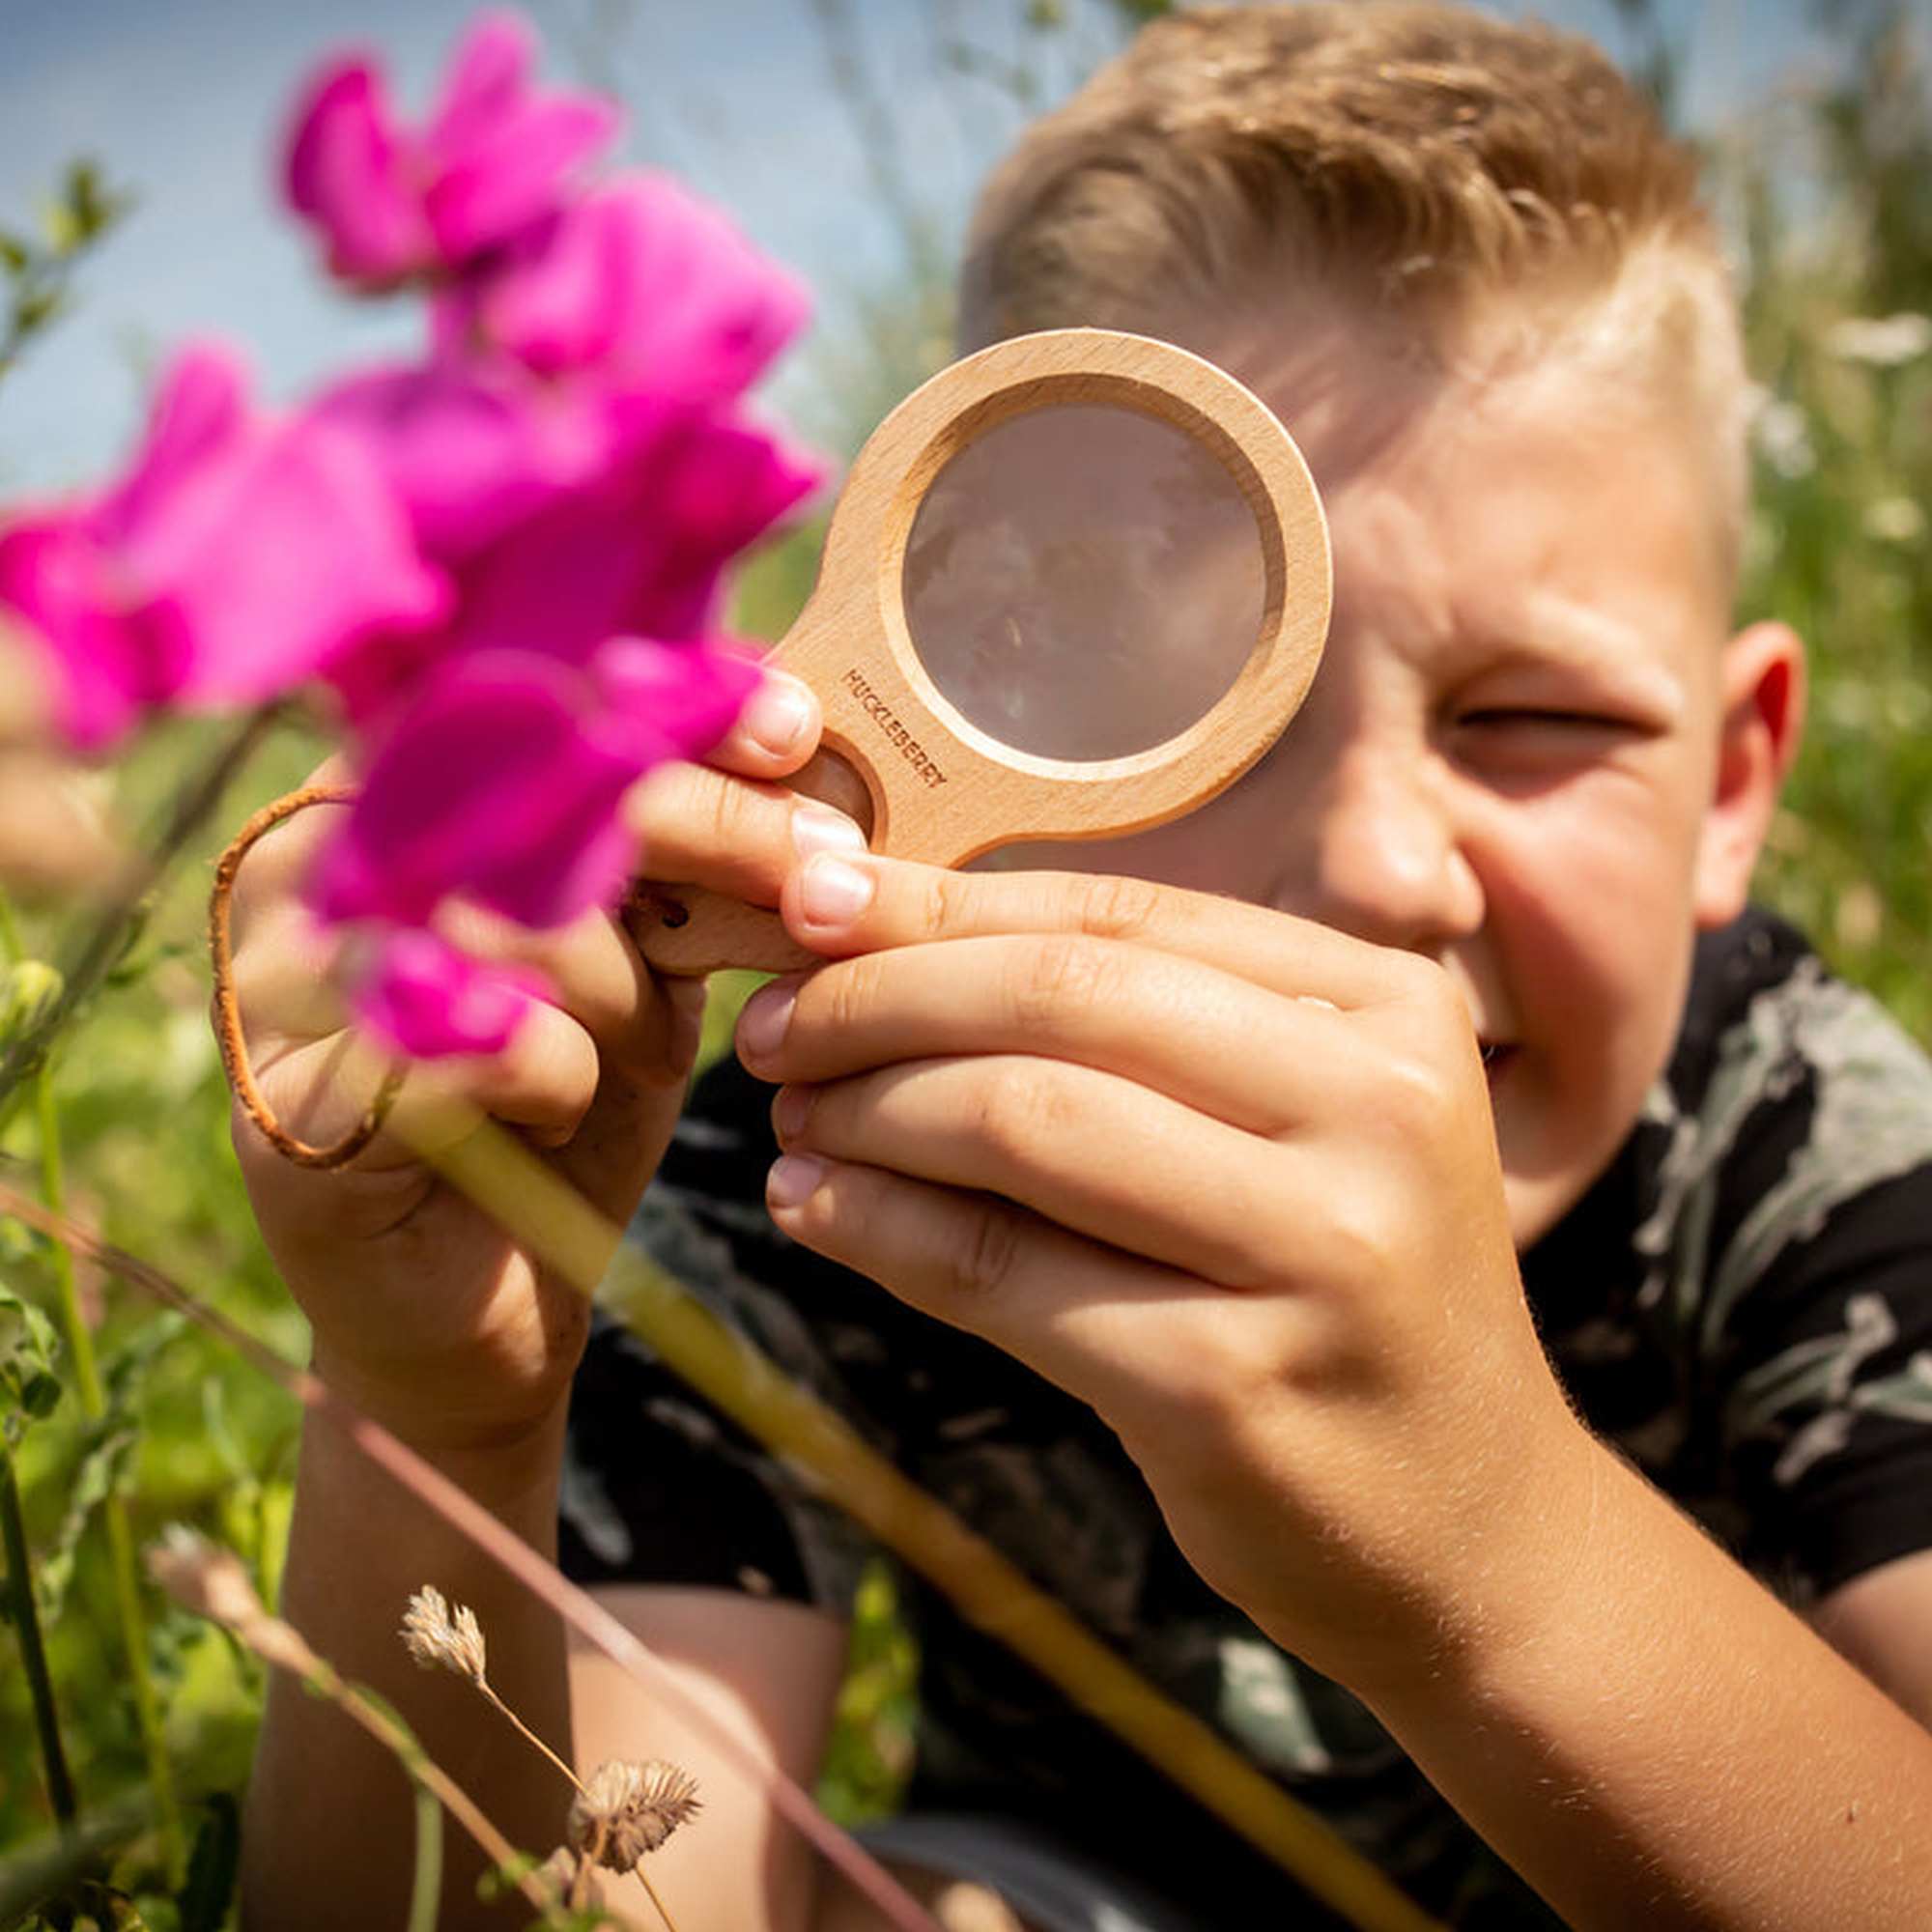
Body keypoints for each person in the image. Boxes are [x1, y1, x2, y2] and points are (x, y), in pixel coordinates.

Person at [229, 6, 1932, 1928]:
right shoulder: (814, 1154)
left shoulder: (1797, 1138)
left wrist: (1496, 1542)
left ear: (1733, 779)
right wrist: (439, 1410)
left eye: (1534, 717)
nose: (1379, 865)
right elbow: (634, 1885)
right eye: (1201, 708)